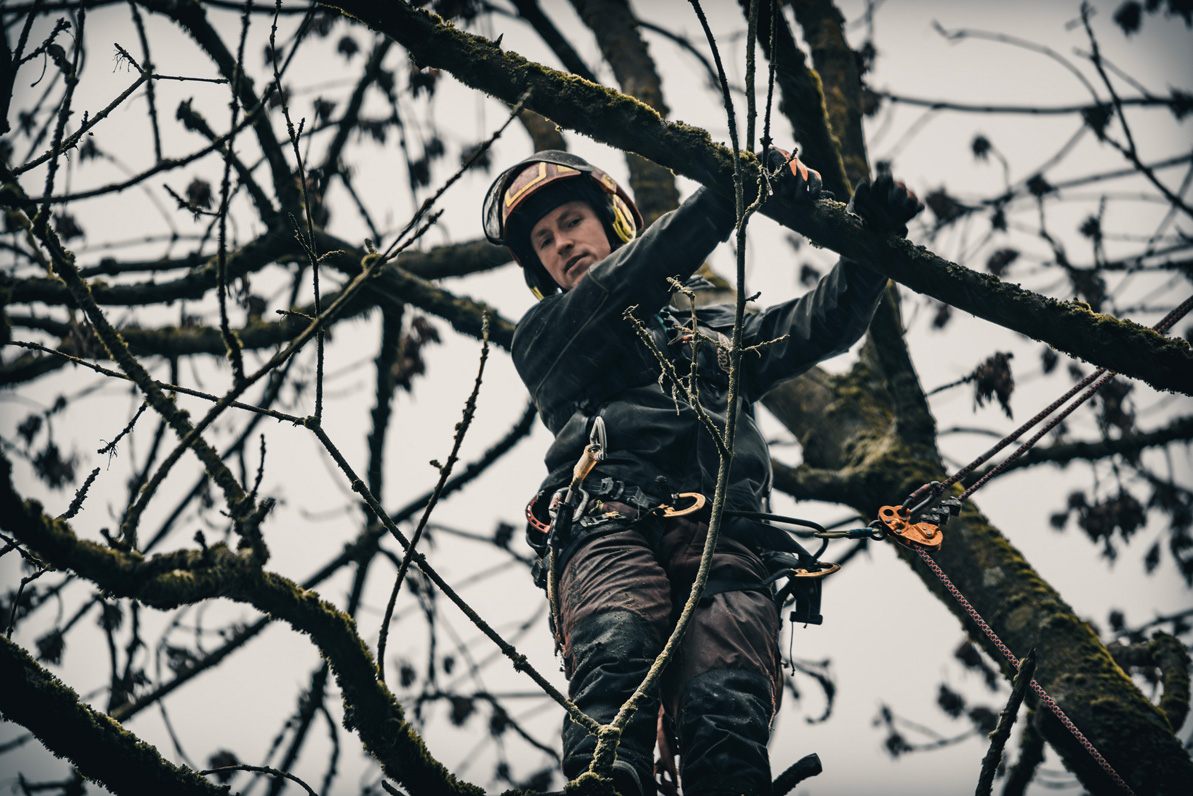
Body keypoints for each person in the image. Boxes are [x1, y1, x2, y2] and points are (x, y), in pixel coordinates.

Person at [482, 149, 922, 796]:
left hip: (726, 535)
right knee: (616, 644)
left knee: (728, 695)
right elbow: (627, 284)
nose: (560, 245)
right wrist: (727, 194)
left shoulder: (706, 333)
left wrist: (868, 246)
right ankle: (605, 782)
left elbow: (813, 327)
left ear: (612, 223)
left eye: (571, 221)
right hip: (608, 521)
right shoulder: (546, 338)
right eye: (543, 241)